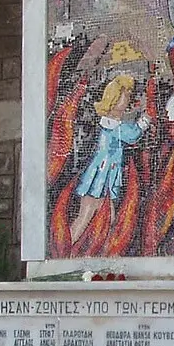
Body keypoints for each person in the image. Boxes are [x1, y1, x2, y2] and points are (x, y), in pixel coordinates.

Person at [73, 73, 150, 240]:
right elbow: (132, 134)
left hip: (104, 177)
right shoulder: (114, 125)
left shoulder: (111, 121)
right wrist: (145, 120)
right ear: (114, 98)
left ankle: (95, 248)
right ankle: (69, 244)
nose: (128, 99)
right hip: (100, 177)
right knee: (86, 216)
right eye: (126, 95)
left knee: (108, 218)